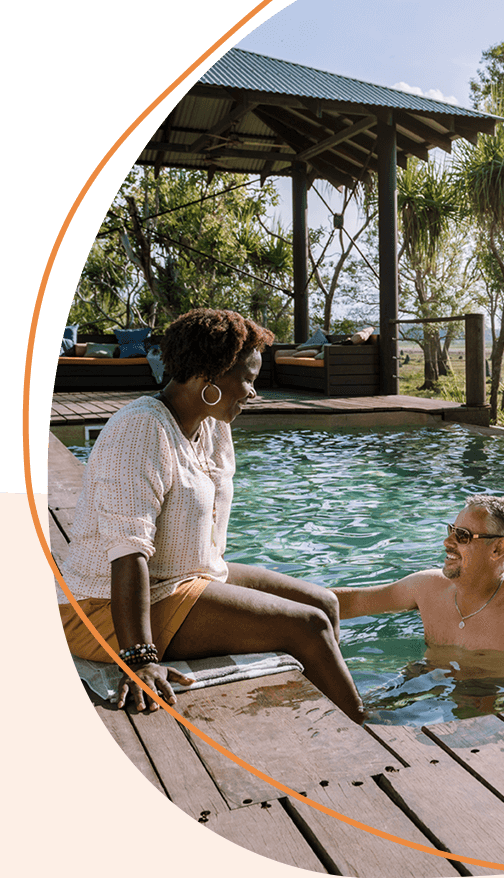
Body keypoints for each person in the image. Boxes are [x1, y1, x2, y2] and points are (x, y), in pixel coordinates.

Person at [56, 309, 365, 724]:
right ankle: (364, 723)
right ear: (209, 377)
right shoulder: (140, 431)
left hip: (185, 578)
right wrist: (139, 659)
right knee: (307, 627)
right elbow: (128, 553)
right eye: (248, 379)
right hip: (103, 606)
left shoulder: (213, 425)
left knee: (324, 603)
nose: (254, 392)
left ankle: (323, 711)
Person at [333, 495, 504, 673]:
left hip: (488, 702)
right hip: (426, 681)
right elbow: (353, 602)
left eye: (462, 535)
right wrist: (297, 600)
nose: (447, 542)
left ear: (497, 549)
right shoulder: (427, 587)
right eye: (451, 531)